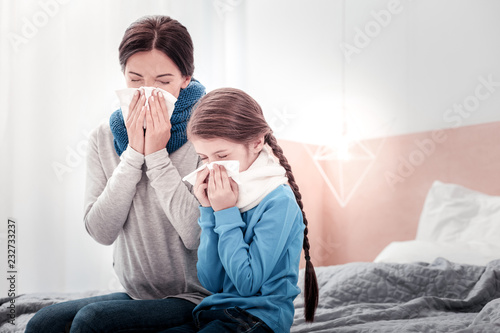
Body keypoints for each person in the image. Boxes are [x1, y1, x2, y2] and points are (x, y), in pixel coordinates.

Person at [26, 15, 209, 332]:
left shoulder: (209, 136)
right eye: (135, 79)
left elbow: (196, 236)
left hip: (196, 296)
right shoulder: (103, 137)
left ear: (186, 78)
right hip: (138, 293)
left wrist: (156, 154)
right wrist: (134, 155)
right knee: (43, 323)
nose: (148, 92)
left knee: (92, 321)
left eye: (163, 81)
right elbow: (101, 231)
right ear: (123, 75)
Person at [162, 88, 319, 333]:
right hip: (217, 311)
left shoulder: (278, 201)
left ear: (256, 143)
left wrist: (224, 212)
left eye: (222, 155)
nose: (213, 168)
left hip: (259, 318)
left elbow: (246, 284)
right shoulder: (226, 195)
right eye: (204, 158)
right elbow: (212, 282)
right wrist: (208, 210)